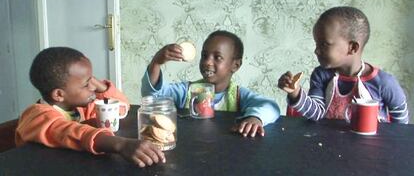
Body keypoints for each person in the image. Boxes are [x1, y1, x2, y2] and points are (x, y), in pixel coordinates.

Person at [16, 47, 165, 167]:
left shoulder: (80, 107)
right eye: (86, 84)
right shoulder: (37, 116)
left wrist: (99, 86)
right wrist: (121, 144)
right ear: (59, 95)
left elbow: (120, 107)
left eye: (93, 79)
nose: (92, 86)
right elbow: (68, 131)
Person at [278, 6, 409, 124]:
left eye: (324, 44)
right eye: (316, 44)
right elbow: (317, 114)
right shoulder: (321, 75)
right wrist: (295, 93)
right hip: (328, 146)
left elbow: (401, 124)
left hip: (371, 149)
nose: (316, 50)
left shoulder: (383, 82)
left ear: (352, 48)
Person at [142, 30, 281, 137]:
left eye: (217, 57)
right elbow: (152, 97)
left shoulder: (239, 97)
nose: (207, 62)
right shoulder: (186, 91)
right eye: (204, 55)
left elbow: (271, 106)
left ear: (235, 65)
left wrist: (255, 118)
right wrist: (156, 63)